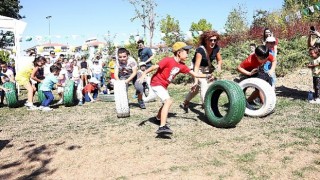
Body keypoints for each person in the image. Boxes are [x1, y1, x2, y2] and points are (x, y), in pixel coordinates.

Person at [137, 42, 213, 135]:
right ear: (179, 52)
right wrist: (144, 74)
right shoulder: (168, 60)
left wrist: (207, 75)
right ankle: (162, 127)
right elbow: (154, 67)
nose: (188, 54)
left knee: (166, 102)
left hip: (163, 85)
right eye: (186, 52)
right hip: (156, 82)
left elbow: (195, 74)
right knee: (168, 101)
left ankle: (158, 118)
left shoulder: (182, 65)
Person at [181, 30, 223, 113]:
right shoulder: (200, 50)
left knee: (196, 90)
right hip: (197, 68)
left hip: (207, 68)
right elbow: (196, 67)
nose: (213, 42)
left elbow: (220, 60)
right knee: (203, 84)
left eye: (215, 40)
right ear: (205, 40)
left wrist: (219, 67)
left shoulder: (216, 48)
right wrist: (195, 80)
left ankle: (185, 102)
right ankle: (206, 106)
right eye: (210, 40)